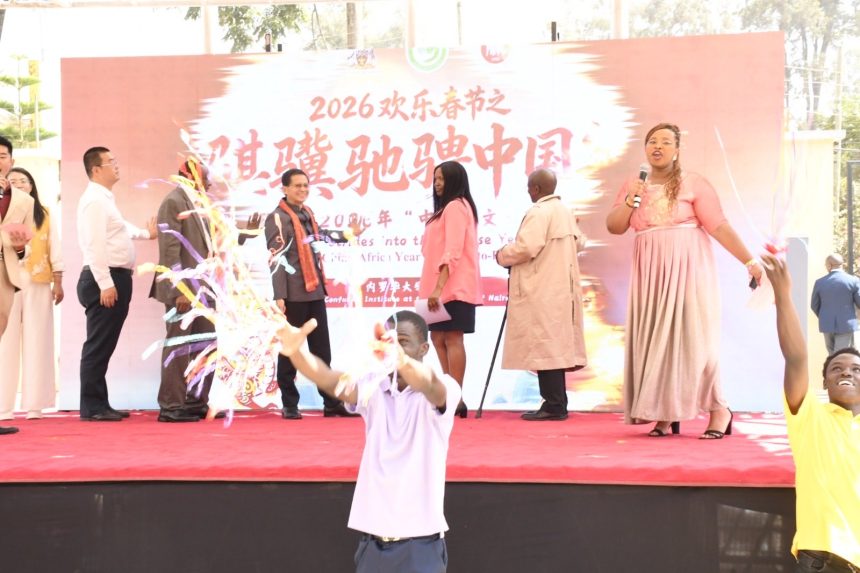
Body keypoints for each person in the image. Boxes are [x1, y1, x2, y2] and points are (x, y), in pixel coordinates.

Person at [606, 123, 763, 438]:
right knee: (657, 340)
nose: (658, 146)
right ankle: (665, 412)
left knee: (694, 340)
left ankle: (719, 409)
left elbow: (718, 226)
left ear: (677, 150)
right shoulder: (633, 184)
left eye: (666, 141)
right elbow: (615, 226)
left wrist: (749, 260)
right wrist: (630, 199)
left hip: (688, 266)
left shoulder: (694, 183)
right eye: (652, 141)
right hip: (650, 269)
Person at [276, 310, 458, 573]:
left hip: (421, 547)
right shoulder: (373, 386)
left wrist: (402, 360)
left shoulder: (446, 387)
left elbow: (429, 384)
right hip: (373, 546)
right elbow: (328, 378)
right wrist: (297, 352)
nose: (393, 349)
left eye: (403, 342)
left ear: (424, 348)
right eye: (387, 341)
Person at [762, 254, 859, 572]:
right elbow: (796, 358)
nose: (847, 372)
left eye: (856, 369)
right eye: (837, 368)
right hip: (822, 560)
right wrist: (782, 295)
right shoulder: (810, 417)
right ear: (825, 382)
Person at [265, 167, 361, 419]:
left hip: (314, 291)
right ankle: (289, 404)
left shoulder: (307, 213)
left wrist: (347, 235)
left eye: (306, 185)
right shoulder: (277, 218)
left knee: (322, 351)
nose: (302, 190)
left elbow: (321, 237)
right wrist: (279, 296)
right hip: (293, 295)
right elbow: (276, 258)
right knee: (291, 351)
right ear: (285, 189)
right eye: (297, 185)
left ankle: (331, 403)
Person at [495, 168, 587, 421]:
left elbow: (526, 248)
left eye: (529, 187)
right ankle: (556, 402)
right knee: (553, 346)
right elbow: (580, 243)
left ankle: (554, 405)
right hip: (560, 288)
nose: (528, 191)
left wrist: (501, 254)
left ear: (535, 189)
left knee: (546, 346)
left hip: (542, 288)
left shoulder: (539, 212)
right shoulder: (565, 211)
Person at [76, 146, 156, 422]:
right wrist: (105, 283)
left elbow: (120, 228)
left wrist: (146, 234)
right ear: (96, 169)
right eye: (111, 162)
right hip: (105, 278)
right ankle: (92, 406)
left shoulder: (104, 199)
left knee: (104, 345)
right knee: (98, 346)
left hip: (113, 277)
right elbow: (94, 244)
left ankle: (99, 403)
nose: (116, 165)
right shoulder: (94, 201)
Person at [149, 158, 217, 423]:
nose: (209, 183)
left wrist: (244, 235)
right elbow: (170, 249)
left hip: (204, 289)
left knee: (206, 344)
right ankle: (171, 405)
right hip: (185, 290)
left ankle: (195, 401)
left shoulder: (199, 203)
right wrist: (180, 290)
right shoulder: (173, 202)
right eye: (205, 177)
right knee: (178, 345)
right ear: (191, 176)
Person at [419, 160, 482, 418]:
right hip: (435, 286)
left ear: (455, 180)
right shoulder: (445, 209)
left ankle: (456, 397)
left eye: (442, 179)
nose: (437, 184)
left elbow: (453, 249)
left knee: (453, 338)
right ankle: (449, 395)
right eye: (435, 179)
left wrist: (439, 287)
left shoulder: (456, 206)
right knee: (437, 338)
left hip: (452, 286)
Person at [0, 167, 63, 422]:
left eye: (23, 181)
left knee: (38, 340)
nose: (18, 184)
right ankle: (3, 406)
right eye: (13, 181)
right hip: (7, 281)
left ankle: (35, 405)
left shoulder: (43, 213)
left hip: (38, 281)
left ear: (31, 186)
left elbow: (54, 247)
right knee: (6, 343)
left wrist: (58, 279)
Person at [0, 136, 34, 435]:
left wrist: (22, 247)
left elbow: (26, 245)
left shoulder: (25, 201)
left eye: (2, 156)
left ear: (11, 161)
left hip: (5, 274)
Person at [810, 253, 860, 355]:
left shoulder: (819, 282)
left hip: (826, 325)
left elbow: (814, 305)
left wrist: (824, 316)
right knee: (841, 355)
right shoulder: (853, 281)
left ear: (829, 265)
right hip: (846, 324)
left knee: (833, 356)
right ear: (842, 264)